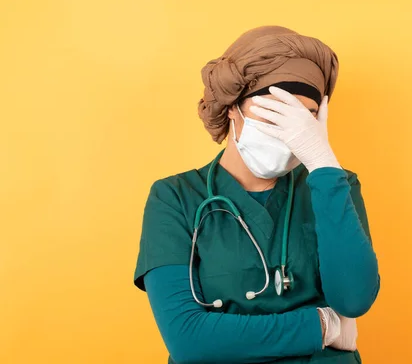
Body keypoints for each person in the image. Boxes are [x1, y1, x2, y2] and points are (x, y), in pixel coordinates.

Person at [133, 25, 380, 363]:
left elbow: (353, 299)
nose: (288, 129)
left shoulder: (334, 185)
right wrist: (323, 326)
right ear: (233, 107)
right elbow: (188, 340)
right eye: (273, 110)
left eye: (303, 118)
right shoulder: (175, 197)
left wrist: (323, 163)